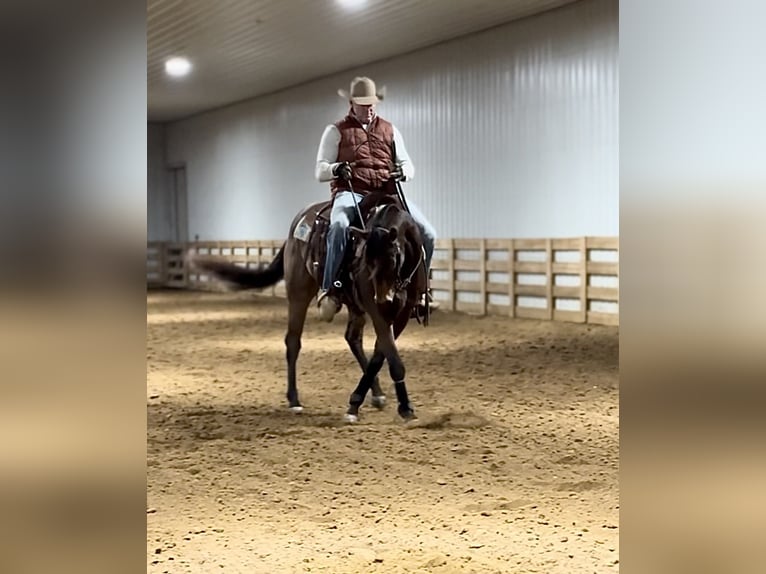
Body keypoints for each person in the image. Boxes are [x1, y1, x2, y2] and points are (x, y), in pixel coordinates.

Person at [314, 76, 437, 322]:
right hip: (351, 192)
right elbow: (320, 170)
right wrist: (337, 169)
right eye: (363, 104)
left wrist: (403, 171)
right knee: (338, 225)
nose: (369, 109)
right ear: (352, 103)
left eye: (372, 104)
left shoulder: (390, 130)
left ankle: (420, 291)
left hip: (386, 193)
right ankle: (330, 289)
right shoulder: (336, 131)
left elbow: (408, 165)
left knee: (428, 233)